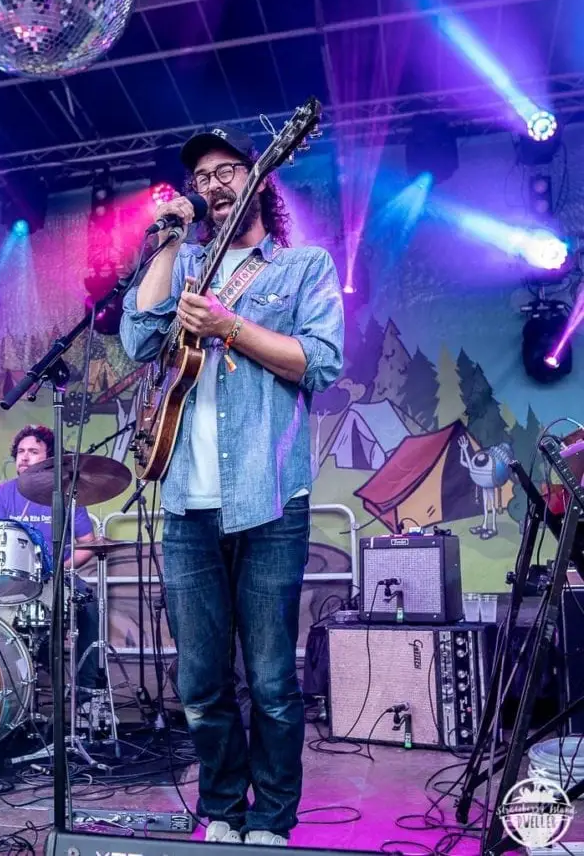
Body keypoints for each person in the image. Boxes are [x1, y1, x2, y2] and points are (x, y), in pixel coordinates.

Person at [120, 129, 344, 846]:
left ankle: (272, 819)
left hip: (270, 498)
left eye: (227, 171)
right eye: (201, 177)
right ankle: (222, 809)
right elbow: (138, 339)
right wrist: (167, 241)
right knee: (200, 683)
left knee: (273, 681)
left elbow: (321, 363)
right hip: (188, 501)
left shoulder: (303, 266)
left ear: (260, 177)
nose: (212, 184)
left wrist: (230, 326)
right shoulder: (187, 264)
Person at [0, 425, 99, 693]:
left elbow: (89, 545)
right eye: (20, 451)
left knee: (89, 605)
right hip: (11, 580)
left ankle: (86, 693)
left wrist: (59, 569)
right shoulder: (2, 494)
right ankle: (1, 690)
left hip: (57, 578)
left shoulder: (66, 495)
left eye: (33, 451)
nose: (24, 457)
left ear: (49, 460)